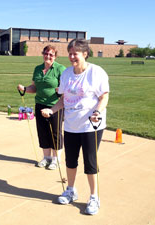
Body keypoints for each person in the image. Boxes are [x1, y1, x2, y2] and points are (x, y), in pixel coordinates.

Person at [41, 39, 109, 215]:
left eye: (75, 53)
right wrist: (53, 109)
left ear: (85, 53)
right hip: (71, 125)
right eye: (70, 53)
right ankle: (71, 190)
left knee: (90, 162)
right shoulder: (67, 74)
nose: (72, 57)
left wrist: (98, 112)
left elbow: (104, 97)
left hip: (90, 125)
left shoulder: (96, 72)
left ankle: (94, 197)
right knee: (70, 161)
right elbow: (64, 99)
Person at [17, 45, 66, 170]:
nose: (48, 56)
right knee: (42, 132)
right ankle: (46, 158)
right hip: (40, 104)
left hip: (55, 105)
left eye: (51, 54)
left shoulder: (60, 69)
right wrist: (25, 89)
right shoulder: (38, 69)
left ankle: (56, 159)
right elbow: (35, 88)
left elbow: (65, 90)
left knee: (55, 132)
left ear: (55, 56)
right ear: (43, 54)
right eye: (46, 53)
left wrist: (60, 91)